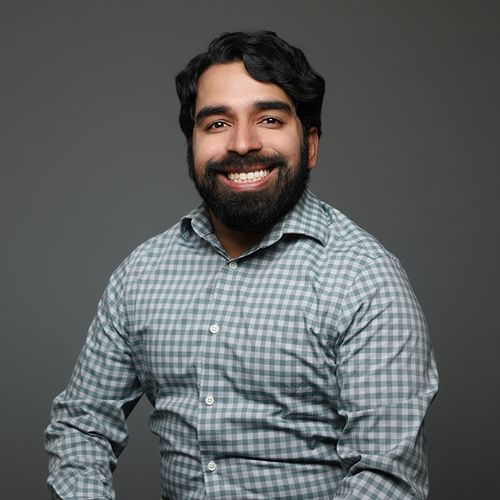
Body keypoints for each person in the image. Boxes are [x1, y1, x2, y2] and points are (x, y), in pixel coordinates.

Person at [45, 31, 438, 499]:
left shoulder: (364, 278)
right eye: (217, 123)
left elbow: (387, 478)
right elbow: (81, 426)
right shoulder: (142, 273)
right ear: (192, 145)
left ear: (310, 144)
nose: (242, 143)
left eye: (269, 119)